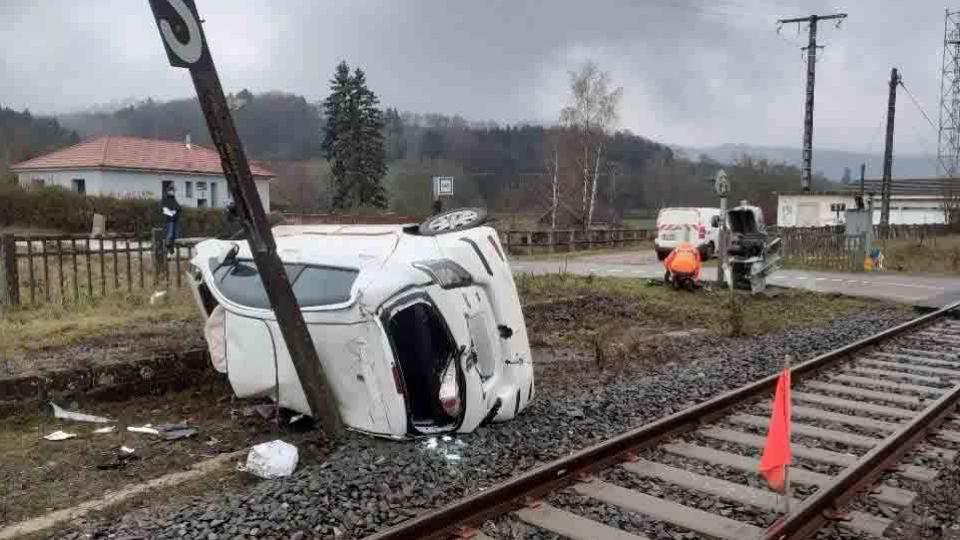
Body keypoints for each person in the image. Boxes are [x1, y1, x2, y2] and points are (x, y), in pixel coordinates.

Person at [161, 186, 181, 254]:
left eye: (174, 191)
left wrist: (177, 211)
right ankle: (166, 247)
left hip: (175, 220)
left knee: (175, 235)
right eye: (172, 191)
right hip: (169, 220)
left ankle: (171, 248)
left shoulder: (174, 199)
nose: (173, 192)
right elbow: (164, 209)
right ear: (168, 191)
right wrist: (171, 213)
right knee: (170, 234)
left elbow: (178, 208)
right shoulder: (165, 200)